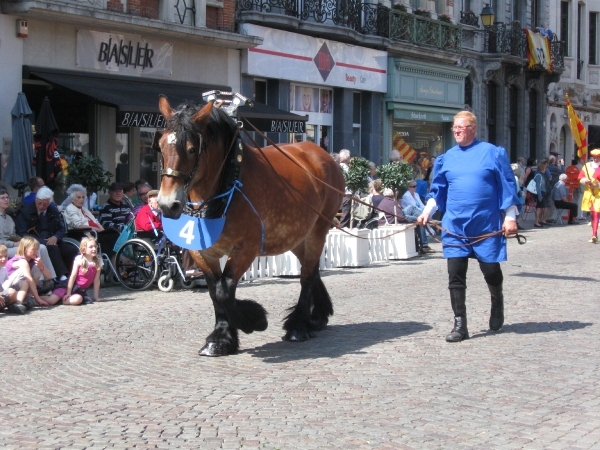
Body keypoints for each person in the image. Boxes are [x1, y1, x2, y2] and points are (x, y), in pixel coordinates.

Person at [417, 111, 519, 343]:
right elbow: (438, 191)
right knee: (455, 274)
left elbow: (507, 186)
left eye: (461, 127)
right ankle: (460, 324)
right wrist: (426, 212)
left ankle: (497, 301)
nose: (456, 131)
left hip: (486, 224)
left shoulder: (492, 153)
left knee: (491, 270)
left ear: (473, 128)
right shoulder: (446, 158)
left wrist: (510, 216)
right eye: (454, 128)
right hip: (455, 225)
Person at [16, 186, 79, 282]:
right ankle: (62, 278)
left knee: (71, 249)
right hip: (35, 241)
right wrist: (43, 241)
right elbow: (22, 232)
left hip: (52, 238)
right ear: (36, 199)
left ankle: (72, 277)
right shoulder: (25, 211)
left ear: (49, 203)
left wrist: (55, 237)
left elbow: (61, 228)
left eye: (44, 204)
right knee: (53, 248)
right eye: (39, 203)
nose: (41, 206)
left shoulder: (53, 210)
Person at [43, 237, 103, 305]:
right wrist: (68, 292)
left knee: (78, 299)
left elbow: (96, 280)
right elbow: (73, 277)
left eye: (95, 246)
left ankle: (62, 300)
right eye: (91, 247)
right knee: (51, 301)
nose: (94, 249)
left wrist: (96, 297)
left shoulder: (98, 261)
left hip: (79, 290)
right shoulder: (79, 259)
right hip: (68, 286)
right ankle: (36, 299)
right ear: (83, 250)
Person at [2, 236, 56, 308]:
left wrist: (41, 266)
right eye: (33, 249)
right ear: (24, 249)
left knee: (37, 267)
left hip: (20, 286)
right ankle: (19, 302)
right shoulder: (21, 261)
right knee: (26, 281)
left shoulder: (33, 260)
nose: (36, 252)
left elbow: (49, 276)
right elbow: (29, 279)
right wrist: (38, 299)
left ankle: (28, 296)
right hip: (7, 287)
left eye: (37, 249)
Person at [401, 181, 434, 253]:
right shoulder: (406, 196)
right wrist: (423, 213)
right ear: (408, 187)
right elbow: (414, 206)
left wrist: (426, 211)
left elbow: (421, 205)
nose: (415, 188)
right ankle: (424, 245)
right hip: (410, 213)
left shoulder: (416, 194)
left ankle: (424, 245)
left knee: (422, 217)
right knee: (420, 219)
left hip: (416, 213)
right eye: (413, 186)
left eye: (415, 186)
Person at [578, 149, 600, 243]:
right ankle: (594, 233)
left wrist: (597, 185)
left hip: (598, 194)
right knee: (592, 214)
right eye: (594, 157)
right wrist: (585, 181)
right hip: (589, 193)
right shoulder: (587, 166)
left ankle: (594, 234)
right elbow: (580, 177)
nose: (595, 158)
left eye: (597, 157)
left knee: (596, 212)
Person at [0, 244, 27, 314]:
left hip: (2, 293)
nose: (3, 259)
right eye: (0, 257)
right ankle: (13, 305)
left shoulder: (3, 269)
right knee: (11, 292)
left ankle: (17, 303)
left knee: (24, 283)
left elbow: (5, 283)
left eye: (5, 256)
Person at [533, 161, 549, 228]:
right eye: (544, 168)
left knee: (541, 207)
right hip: (540, 193)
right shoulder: (539, 175)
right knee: (539, 208)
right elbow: (538, 187)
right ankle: (536, 222)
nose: (545, 170)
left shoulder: (541, 175)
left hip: (542, 192)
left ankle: (538, 221)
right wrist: (540, 196)